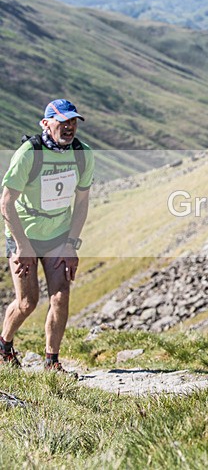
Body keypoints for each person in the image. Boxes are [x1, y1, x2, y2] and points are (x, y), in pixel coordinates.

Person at [1, 99, 94, 376]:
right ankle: (4, 346)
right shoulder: (29, 153)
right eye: (63, 121)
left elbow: (82, 201)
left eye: (73, 122)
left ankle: (51, 362)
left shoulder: (82, 154)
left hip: (57, 235)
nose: (69, 127)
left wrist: (71, 244)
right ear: (45, 123)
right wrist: (22, 246)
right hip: (24, 234)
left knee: (60, 296)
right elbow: (6, 202)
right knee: (28, 302)